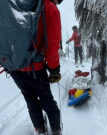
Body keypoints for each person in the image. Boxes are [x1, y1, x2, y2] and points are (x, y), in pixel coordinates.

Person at [9, 0, 63, 135]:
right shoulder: (50, 8)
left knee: (30, 99)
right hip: (35, 68)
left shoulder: (13, 3)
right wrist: (54, 69)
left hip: (14, 66)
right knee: (46, 98)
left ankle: (39, 129)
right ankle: (56, 130)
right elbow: (52, 44)